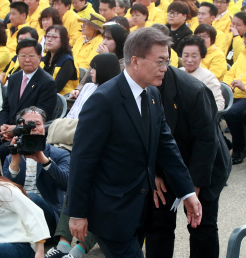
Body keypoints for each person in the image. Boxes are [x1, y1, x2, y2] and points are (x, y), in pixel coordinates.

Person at [65, 28, 203, 258]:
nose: (165, 68)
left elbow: (166, 147)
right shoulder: (103, 100)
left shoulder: (152, 95)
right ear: (136, 61)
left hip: (141, 208)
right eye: (160, 61)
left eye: (167, 61)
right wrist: (77, 212)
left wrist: (187, 192)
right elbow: (82, 159)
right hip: (111, 211)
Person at [146, 38, 231, 258]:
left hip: (203, 163)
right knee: (158, 224)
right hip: (164, 165)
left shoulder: (192, 90)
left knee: (200, 225)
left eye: (164, 62)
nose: (162, 68)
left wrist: (193, 186)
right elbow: (143, 136)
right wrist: (154, 173)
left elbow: (206, 141)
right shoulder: (137, 86)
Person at [45, 53, 121, 258]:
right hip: (75, 143)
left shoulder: (114, 93)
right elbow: (71, 117)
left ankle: (79, 248)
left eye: (94, 68)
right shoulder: (87, 87)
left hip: (101, 154)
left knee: (96, 194)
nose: (90, 72)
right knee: (74, 189)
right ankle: (63, 243)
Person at [0, 39, 57, 169]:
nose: (27, 59)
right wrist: (4, 127)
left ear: (39, 57)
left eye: (31, 56)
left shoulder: (47, 82)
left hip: (28, 134)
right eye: (23, 56)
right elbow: (6, 108)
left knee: (6, 150)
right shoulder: (15, 78)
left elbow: (42, 116)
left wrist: (15, 129)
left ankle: (10, 180)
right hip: (7, 132)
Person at [3, 106, 70, 238]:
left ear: (44, 128)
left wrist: (45, 161)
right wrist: (15, 164)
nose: (33, 128)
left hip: (48, 216)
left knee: (30, 197)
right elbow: (5, 194)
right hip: (19, 216)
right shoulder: (11, 157)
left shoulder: (60, 154)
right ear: (19, 129)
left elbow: (67, 184)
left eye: (37, 124)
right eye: (27, 125)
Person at [70, 23, 126, 99]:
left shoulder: (125, 61)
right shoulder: (99, 56)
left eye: (109, 39)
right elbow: (86, 78)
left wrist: (107, 57)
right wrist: (77, 90)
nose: (104, 42)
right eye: (104, 38)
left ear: (118, 41)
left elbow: (114, 80)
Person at [178, 35, 225, 111]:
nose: (189, 60)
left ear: (201, 57)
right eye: (186, 55)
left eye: (194, 56)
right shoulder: (178, 72)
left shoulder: (208, 77)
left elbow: (219, 104)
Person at [222, 34, 246, 164]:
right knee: (212, 107)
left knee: (232, 113)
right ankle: (223, 143)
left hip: (244, 95)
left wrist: (244, 87)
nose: (245, 45)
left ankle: (239, 149)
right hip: (235, 93)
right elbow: (230, 73)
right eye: (244, 42)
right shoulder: (243, 54)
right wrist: (227, 84)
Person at [41, 25, 79, 96]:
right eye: (48, 36)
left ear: (63, 40)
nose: (49, 39)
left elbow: (56, 87)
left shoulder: (67, 61)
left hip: (62, 100)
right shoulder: (44, 59)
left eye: (54, 37)